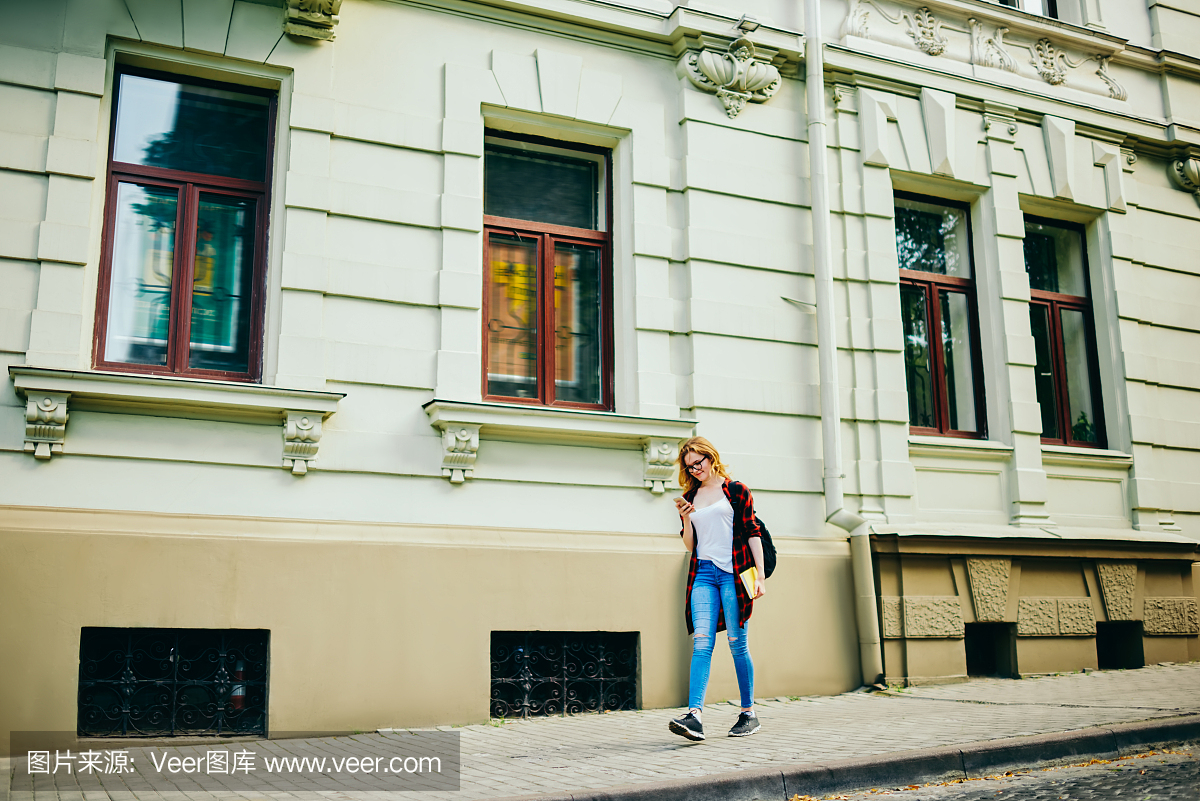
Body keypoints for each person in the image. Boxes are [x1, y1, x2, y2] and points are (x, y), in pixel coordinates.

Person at [669, 436, 766, 741]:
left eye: (699, 462)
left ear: (711, 458)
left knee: (737, 643)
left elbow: (752, 532)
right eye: (690, 466)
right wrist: (686, 518)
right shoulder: (690, 497)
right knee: (701, 643)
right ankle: (694, 716)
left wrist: (760, 576)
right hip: (703, 574)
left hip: (734, 574)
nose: (695, 469)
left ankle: (748, 713)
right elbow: (691, 545)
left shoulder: (736, 490)